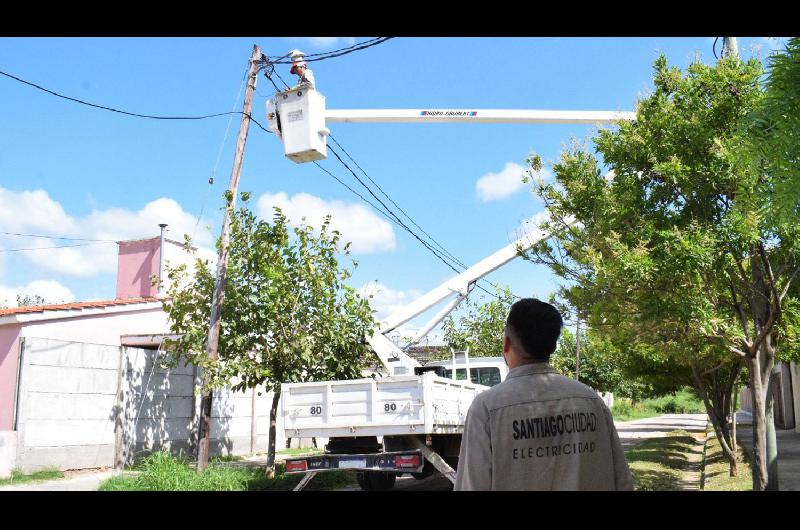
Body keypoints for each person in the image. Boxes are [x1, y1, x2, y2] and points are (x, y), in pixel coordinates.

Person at [454, 298, 633, 491]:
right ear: (554, 347)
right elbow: (621, 480)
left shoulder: (487, 409)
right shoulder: (592, 401)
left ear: (506, 343)